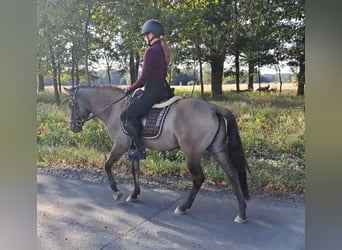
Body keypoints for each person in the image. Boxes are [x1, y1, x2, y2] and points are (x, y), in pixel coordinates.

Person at [120, 19, 174, 160]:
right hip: (164, 89)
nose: (145, 38)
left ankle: (140, 149)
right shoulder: (162, 49)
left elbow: (144, 78)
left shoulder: (151, 51)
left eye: (145, 35)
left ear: (151, 35)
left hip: (153, 92)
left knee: (126, 116)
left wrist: (130, 88)